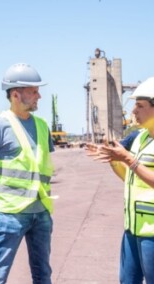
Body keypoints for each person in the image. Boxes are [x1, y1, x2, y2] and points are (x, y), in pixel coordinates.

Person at [0, 63, 55, 284]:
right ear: (16, 94)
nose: (39, 95)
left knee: (43, 274)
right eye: (33, 91)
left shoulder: (42, 126)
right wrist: (0, 198)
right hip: (10, 215)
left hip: (41, 212)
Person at [86, 77, 154, 284]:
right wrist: (114, 160)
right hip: (132, 228)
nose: (134, 111)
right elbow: (131, 176)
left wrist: (128, 159)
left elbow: (135, 167)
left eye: (140, 106)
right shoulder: (141, 138)